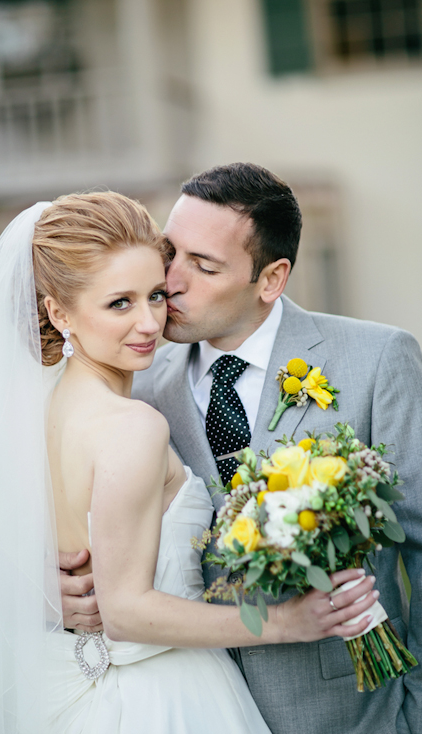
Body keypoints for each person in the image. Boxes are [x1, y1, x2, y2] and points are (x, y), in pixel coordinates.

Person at [0, 191, 375, 733]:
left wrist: (42, 592)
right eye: (120, 303)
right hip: (158, 697)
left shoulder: (33, 414)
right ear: (58, 311)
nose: (147, 323)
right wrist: (286, 622)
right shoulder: (134, 425)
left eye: (156, 295)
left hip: (60, 688)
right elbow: (127, 611)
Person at [64, 165, 422, 734]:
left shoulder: (378, 362)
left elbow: (419, 544)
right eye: (170, 252)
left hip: (354, 713)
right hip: (191, 704)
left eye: (203, 266)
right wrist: (62, 591)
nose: (170, 281)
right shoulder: (136, 381)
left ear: (271, 279)